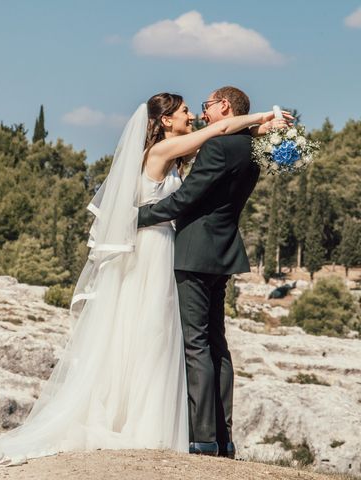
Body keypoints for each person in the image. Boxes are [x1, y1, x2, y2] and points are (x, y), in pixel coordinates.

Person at [0, 90, 288, 466]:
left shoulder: (184, 155)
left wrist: (263, 129)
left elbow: (219, 146)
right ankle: (175, 430)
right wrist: (265, 119)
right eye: (187, 110)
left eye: (200, 108)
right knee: (158, 331)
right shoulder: (161, 154)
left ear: (222, 106)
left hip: (171, 248)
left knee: (168, 336)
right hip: (155, 246)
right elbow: (223, 135)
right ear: (166, 120)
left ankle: (184, 431)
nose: (194, 115)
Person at [137, 86, 281, 458]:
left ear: (225, 107)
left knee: (196, 344)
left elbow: (186, 198)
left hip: (193, 253)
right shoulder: (251, 150)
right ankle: (224, 437)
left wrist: (136, 217)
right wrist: (261, 128)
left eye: (207, 105)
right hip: (224, 253)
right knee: (218, 345)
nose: (202, 113)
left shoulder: (217, 147)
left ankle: (202, 439)